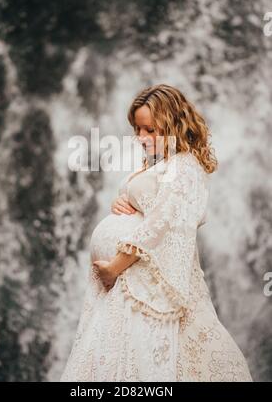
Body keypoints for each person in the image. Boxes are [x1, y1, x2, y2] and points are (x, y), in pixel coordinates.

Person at [60, 84, 253, 382]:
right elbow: (150, 210)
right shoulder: (163, 163)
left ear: (174, 125)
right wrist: (121, 202)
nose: (142, 138)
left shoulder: (186, 166)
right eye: (138, 130)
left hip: (147, 288)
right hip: (134, 288)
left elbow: (161, 225)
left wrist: (114, 267)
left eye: (151, 130)